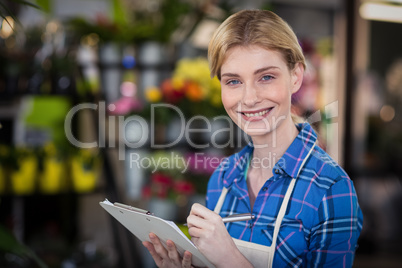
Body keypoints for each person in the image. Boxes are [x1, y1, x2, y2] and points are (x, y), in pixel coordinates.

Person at [143, 9, 363, 267]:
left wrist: (230, 258)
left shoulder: (331, 188)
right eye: (233, 81)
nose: (249, 98)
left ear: (296, 77)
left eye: (266, 77)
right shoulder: (223, 178)